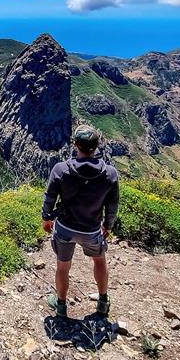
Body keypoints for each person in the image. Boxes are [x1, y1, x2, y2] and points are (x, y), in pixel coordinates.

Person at [42, 124, 120, 318]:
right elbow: (112, 206)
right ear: (97, 145)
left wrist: (46, 217)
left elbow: (49, 197)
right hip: (92, 229)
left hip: (65, 228)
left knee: (62, 266)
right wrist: (108, 226)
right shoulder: (110, 174)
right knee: (100, 261)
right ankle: (102, 302)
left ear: (75, 144)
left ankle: (60, 305)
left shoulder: (60, 170)